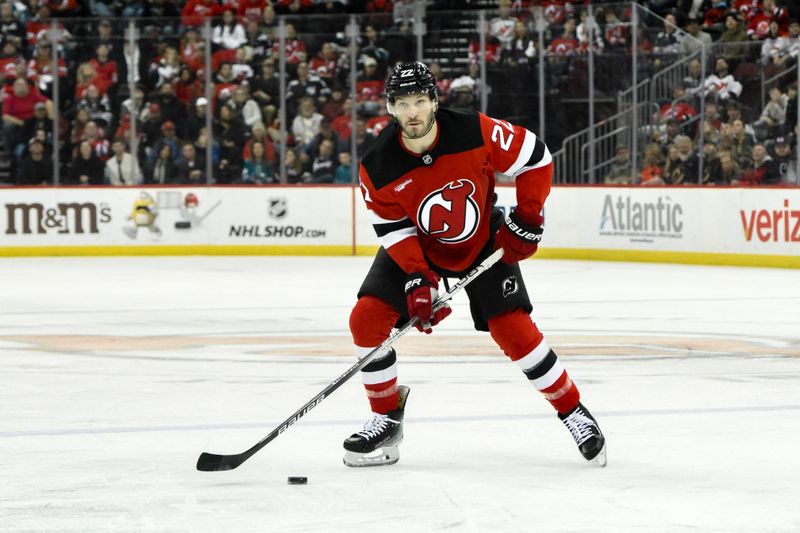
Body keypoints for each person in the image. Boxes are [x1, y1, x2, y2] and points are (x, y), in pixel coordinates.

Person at [343, 62, 606, 468]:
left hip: (484, 241)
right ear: (390, 109)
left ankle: (573, 412)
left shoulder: (474, 131)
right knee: (366, 320)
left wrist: (529, 216)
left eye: (419, 101)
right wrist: (418, 276)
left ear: (434, 101)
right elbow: (393, 228)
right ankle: (385, 415)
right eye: (402, 104)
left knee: (513, 331)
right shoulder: (377, 165)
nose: (412, 112)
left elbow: (535, 156)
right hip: (419, 247)